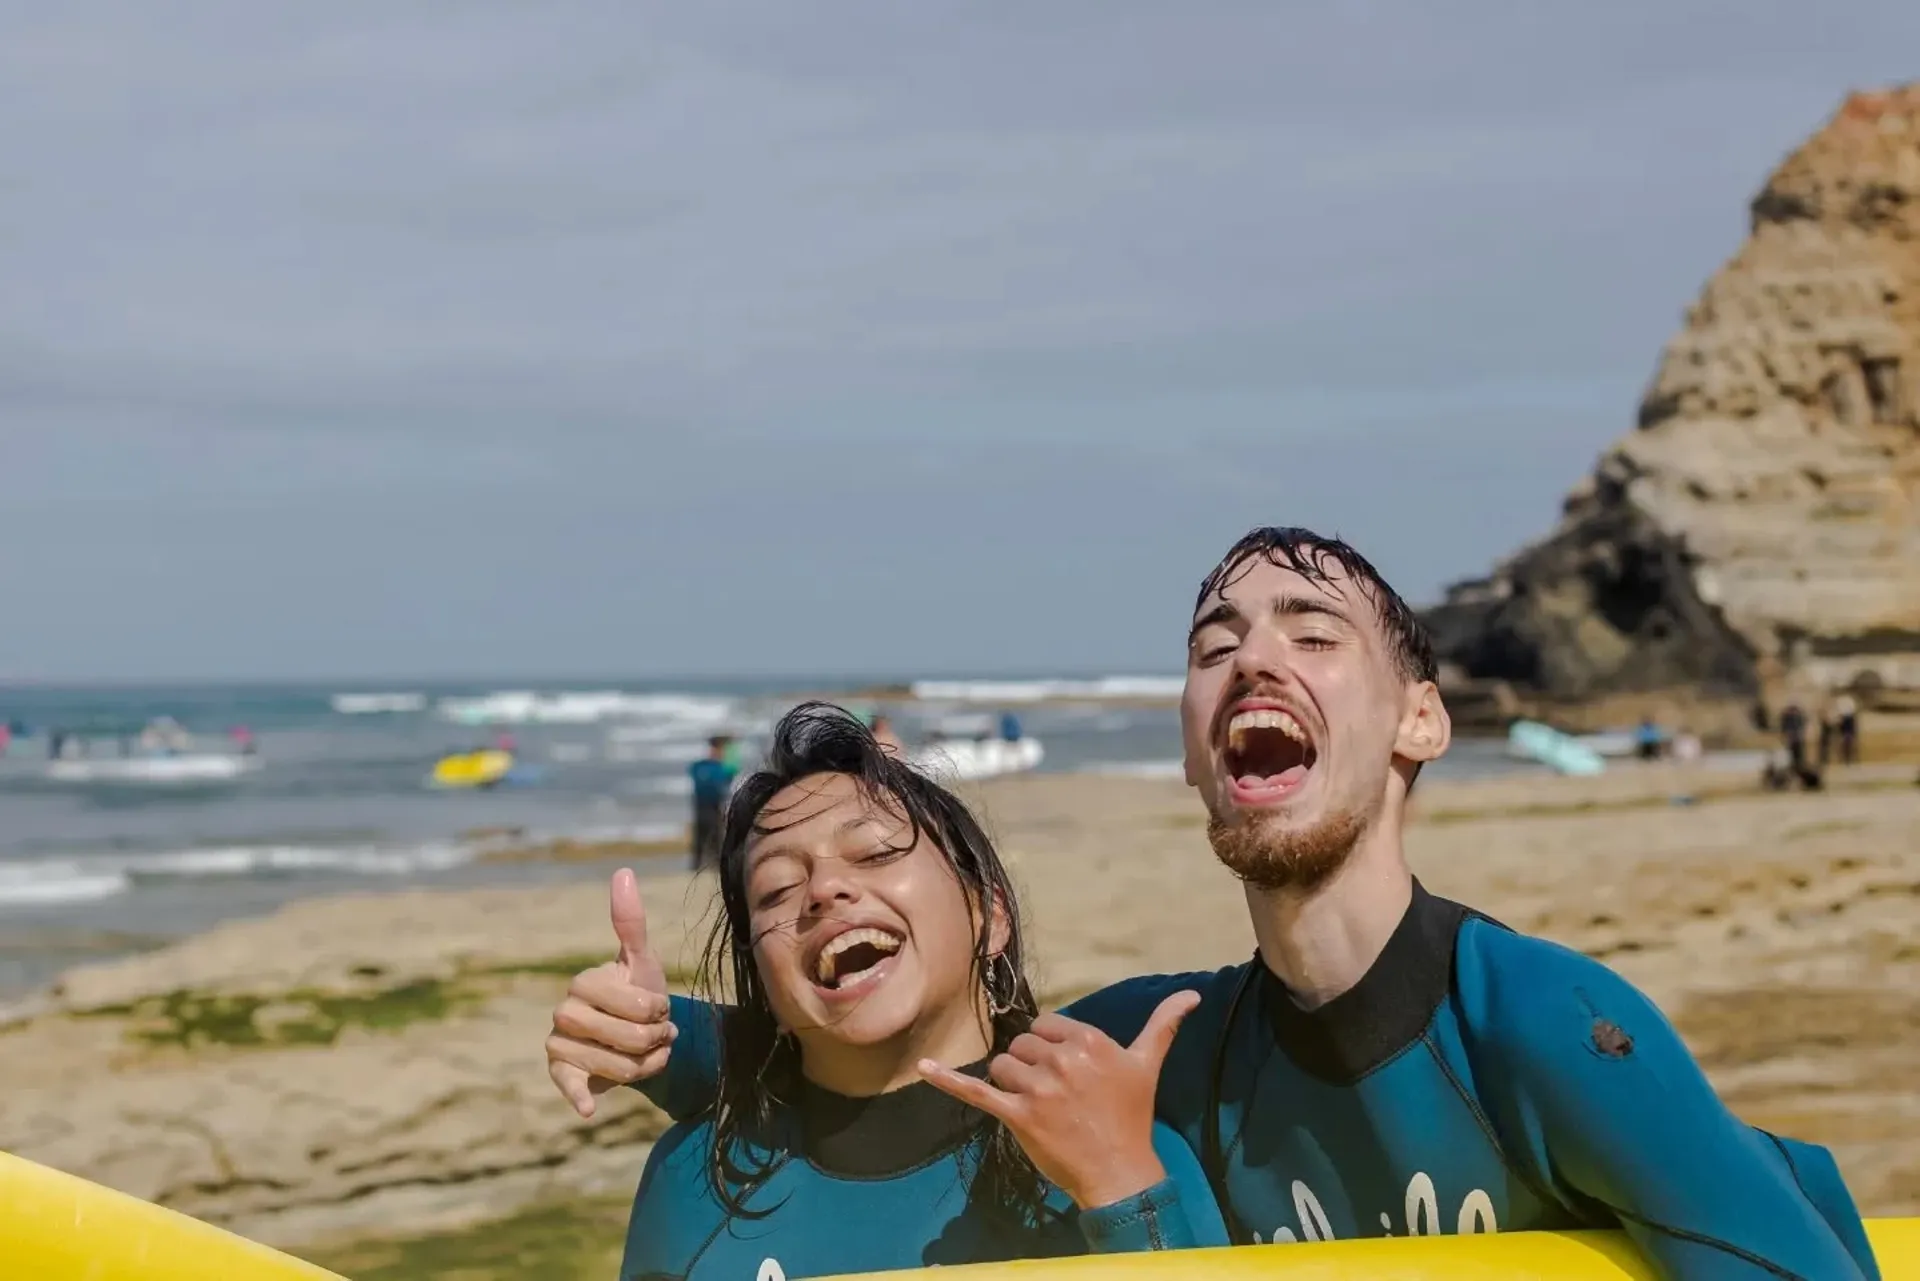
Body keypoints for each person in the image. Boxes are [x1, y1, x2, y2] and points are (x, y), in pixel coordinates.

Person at [551, 528, 1882, 1280]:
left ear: (1423, 716)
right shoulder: (1165, 1052)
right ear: (1195, 752)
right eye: (1213, 646)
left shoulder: (1541, 1025)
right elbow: (916, 1072)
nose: (1254, 655)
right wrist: (674, 1039)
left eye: (1312, 634)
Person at [550, 703, 1225, 1279]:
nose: (824, 890)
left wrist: (1124, 1196)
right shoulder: (695, 1179)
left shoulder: (1118, 1157)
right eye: (778, 890)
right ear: (763, 980)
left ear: (989, 914)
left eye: (874, 853)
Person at [687, 735, 738, 871]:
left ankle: (715, 865)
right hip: (702, 805)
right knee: (702, 837)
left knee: (714, 837)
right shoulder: (701, 766)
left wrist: (732, 749)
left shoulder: (720, 768)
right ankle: (697, 866)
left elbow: (731, 776)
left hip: (713, 805)